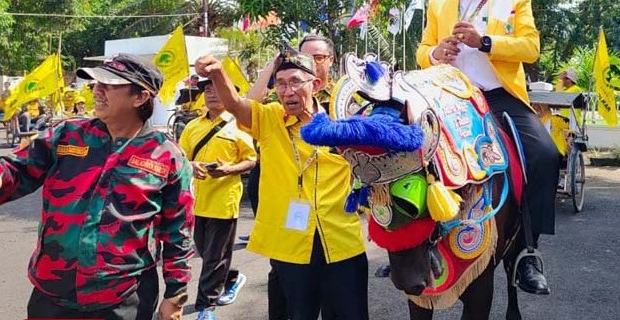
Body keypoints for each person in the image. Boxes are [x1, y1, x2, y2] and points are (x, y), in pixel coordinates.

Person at [415, 0, 560, 295]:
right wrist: (436, 54)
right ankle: (409, 246)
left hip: (498, 96)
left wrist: (485, 42)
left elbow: (530, 48)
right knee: (408, 153)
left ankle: (528, 252)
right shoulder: (438, 4)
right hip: (448, 97)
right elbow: (423, 49)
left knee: (544, 154)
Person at [0, 53, 195, 320]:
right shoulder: (66, 135)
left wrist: (176, 295)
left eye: (109, 84)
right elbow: (15, 171)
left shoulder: (167, 156)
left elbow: (178, 232)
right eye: (95, 83)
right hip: (52, 293)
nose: (96, 90)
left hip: (123, 299)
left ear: (140, 97)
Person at [195, 50, 369, 320]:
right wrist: (218, 72)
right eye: (281, 84)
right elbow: (236, 105)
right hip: (292, 244)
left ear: (316, 84)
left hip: (341, 240)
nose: (288, 91)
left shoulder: (342, 120)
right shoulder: (270, 119)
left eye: (296, 82)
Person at [178, 78, 257, 320]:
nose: (212, 94)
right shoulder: (193, 127)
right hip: (197, 201)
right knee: (206, 252)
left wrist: (229, 170)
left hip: (225, 201)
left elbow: (251, 159)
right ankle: (232, 277)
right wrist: (190, 165)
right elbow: (179, 158)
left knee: (214, 256)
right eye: (207, 90)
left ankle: (206, 307)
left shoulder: (239, 126)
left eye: (217, 89)